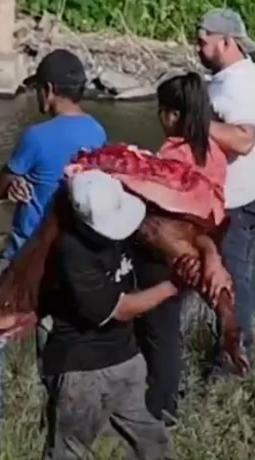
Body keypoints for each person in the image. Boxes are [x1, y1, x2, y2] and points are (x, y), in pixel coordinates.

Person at [0, 49, 107, 453]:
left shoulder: (37, 138)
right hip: (71, 263)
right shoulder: (98, 134)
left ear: (48, 91)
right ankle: (60, 447)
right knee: (57, 364)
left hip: (24, 262)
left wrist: (12, 185)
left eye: (38, 92)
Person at [42, 169, 174, 460]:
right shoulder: (71, 251)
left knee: (154, 445)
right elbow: (121, 310)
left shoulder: (122, 229)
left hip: (127, 359)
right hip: (81, 369)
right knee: (70, 452)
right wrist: (174, 285)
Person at [133, 71, 230, 425]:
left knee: (157, 331)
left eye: (161, 111)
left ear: (173, 114)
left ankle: (159, 409)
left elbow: (158, 201)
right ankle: (167, 400)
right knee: (169, 327)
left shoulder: (173, 152)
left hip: (163, 251)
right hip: (198, 249)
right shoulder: (213, 151)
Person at [196, 8, 255, 376]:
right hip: (228, 200)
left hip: (237, 206)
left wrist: (197, 122)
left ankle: (234, 365)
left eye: (202, 40)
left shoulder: (239, 81)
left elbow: (243, 139)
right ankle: (225, 354)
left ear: (225, 41)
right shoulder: (226, 77)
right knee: (222, 281)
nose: (197, 46)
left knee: (232, 285)